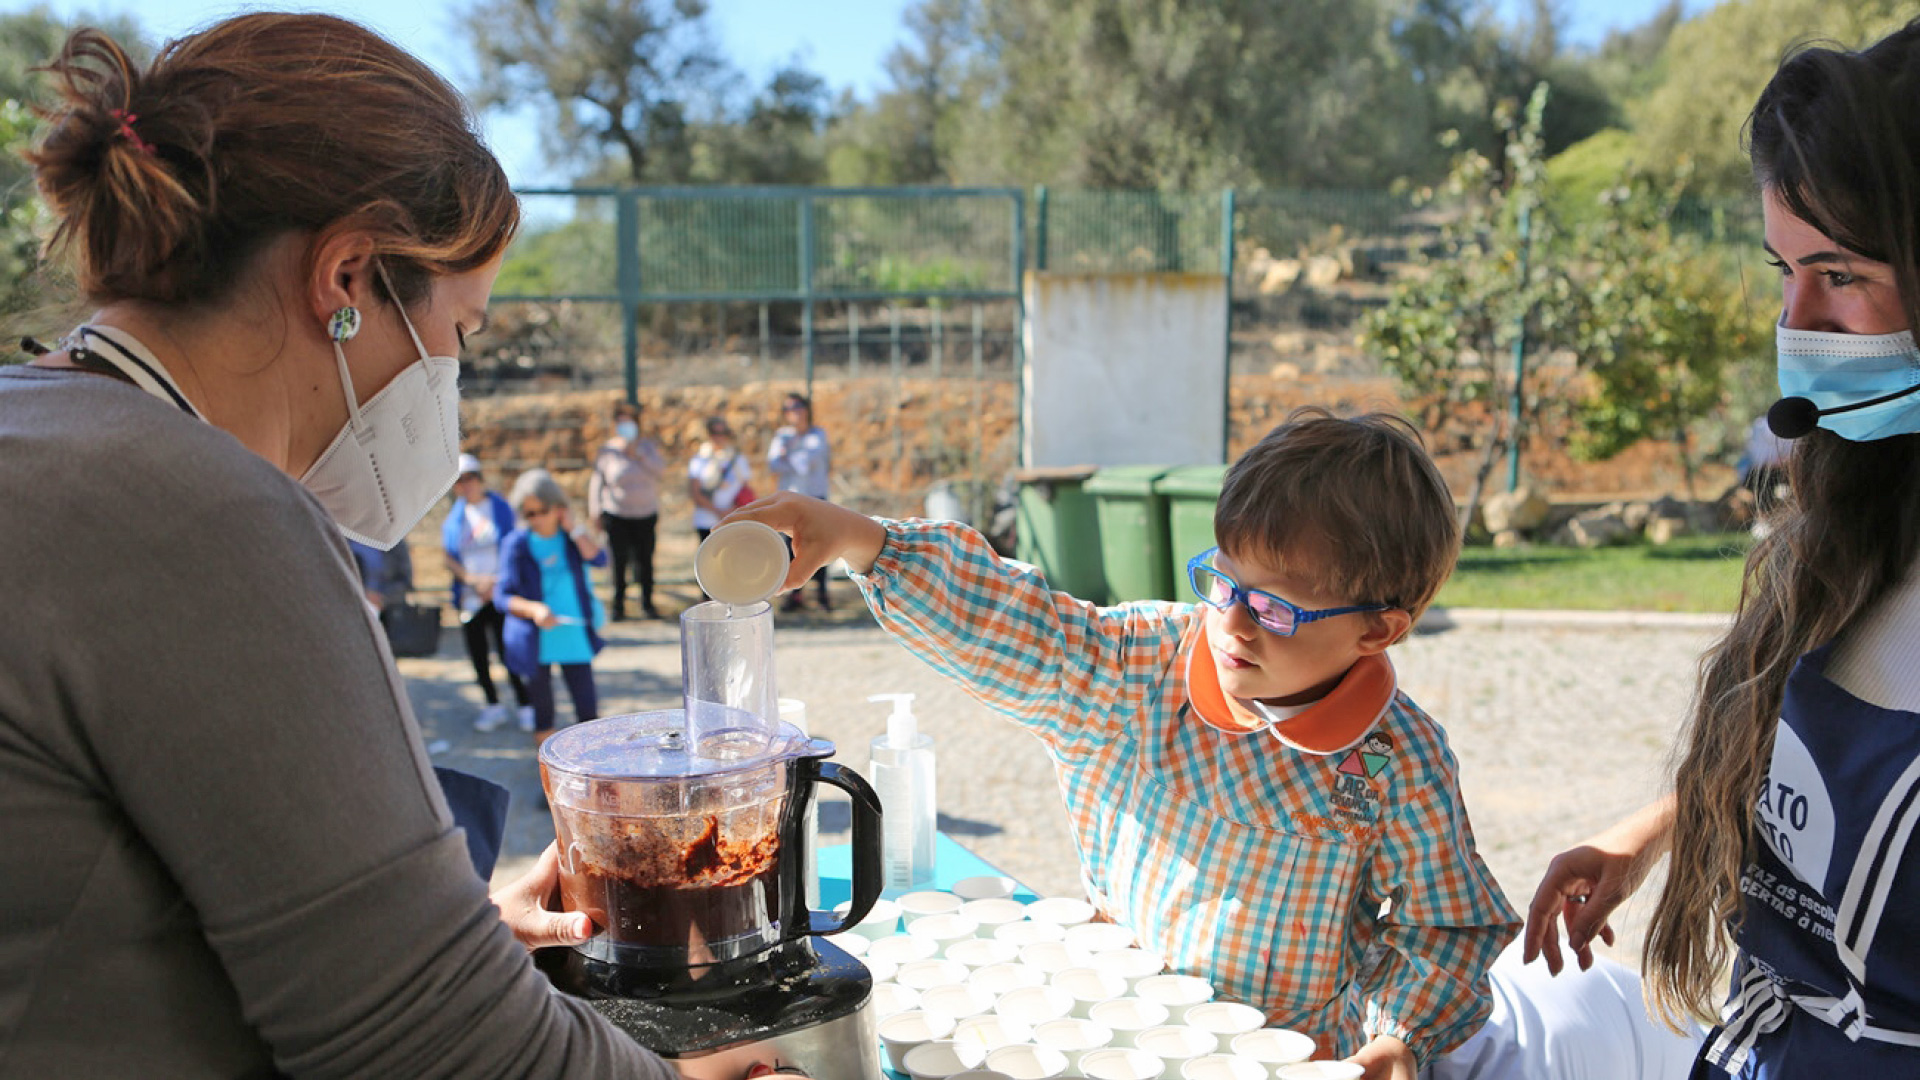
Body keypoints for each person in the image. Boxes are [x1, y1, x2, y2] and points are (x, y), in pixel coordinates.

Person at [0, 15, 684, 1076]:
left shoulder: (41, 427)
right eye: (462, 331)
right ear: (352, 278)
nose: (452, 377)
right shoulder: (199, 512)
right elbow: (437, 1047)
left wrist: (439, 941)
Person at [733, 408, 1518, 1076]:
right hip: (1111, 1031)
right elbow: (1019, 627)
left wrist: (1399, 1035)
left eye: (1274, 611)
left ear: (1379, 629)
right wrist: (863, 541)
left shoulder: (1396, 760)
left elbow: (1446, 925)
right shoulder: (1145, 667)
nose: (1233, 626)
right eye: (1223, 582)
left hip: (1283, 1056)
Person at [1524, 21, 1920, 1077]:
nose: (1796, 322)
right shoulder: (1855, 511)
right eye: (1781, 269)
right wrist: (1651, 833)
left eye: (1838, 272)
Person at [497, 469, 606, 741]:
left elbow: (600, 560)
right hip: (536, 639)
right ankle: (548, 777)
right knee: (543, 713)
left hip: (573, 633)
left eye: (542, 511)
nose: (536, 519)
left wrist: (575, 529)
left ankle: (592, 772)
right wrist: (534, 609)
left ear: (558, 507)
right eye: (529, 513)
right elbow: (502, 596)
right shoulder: (516, 544)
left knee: (587, 710)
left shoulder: (572, 539)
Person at [443, 453, 532, 731]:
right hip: (471, 596)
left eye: (470, 478)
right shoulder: (454, 520)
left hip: (501, 591)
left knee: (509, 651)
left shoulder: (501, 509)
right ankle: (492, 704)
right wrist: (472, 580)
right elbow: (448, 557)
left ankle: (525, 703)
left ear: (480, 479)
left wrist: (496, 583)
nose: (465, 485)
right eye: (459, 481)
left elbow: (514, 546)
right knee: (478, 654)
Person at [589, 398, 666, 620]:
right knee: (618, 561)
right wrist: (595, 511)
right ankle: (618, 606)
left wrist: (638, 455)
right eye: (621, 423)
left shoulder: (648, 447)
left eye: (629, 422)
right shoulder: (607, 451)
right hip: (617, 515)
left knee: (645, 560)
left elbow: (660, 471)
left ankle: (647, 604)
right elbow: (598, 482)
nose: (625, 427)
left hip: (645, 514)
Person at [767, 392, 833, 612]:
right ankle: (794, 596)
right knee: (788, 548)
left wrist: (789, 454)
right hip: (790, 501)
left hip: (815, 498)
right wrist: (793, 456)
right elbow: (774, 464)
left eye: (798, 407)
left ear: (806, 409)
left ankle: (822, 594)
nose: (793, 412)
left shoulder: (818, 434)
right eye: (788, 409)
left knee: (821, 546)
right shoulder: (781, 435)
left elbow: (806, 463)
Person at [688, 415, 752, 542]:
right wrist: (719, 512)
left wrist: (732, 510)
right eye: (715, 433)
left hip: (732, 520)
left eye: (723, 433)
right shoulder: (699, 460)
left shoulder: (738, 459)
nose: (719, 437)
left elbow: (746, 490)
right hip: (706, 521)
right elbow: (695, 494)